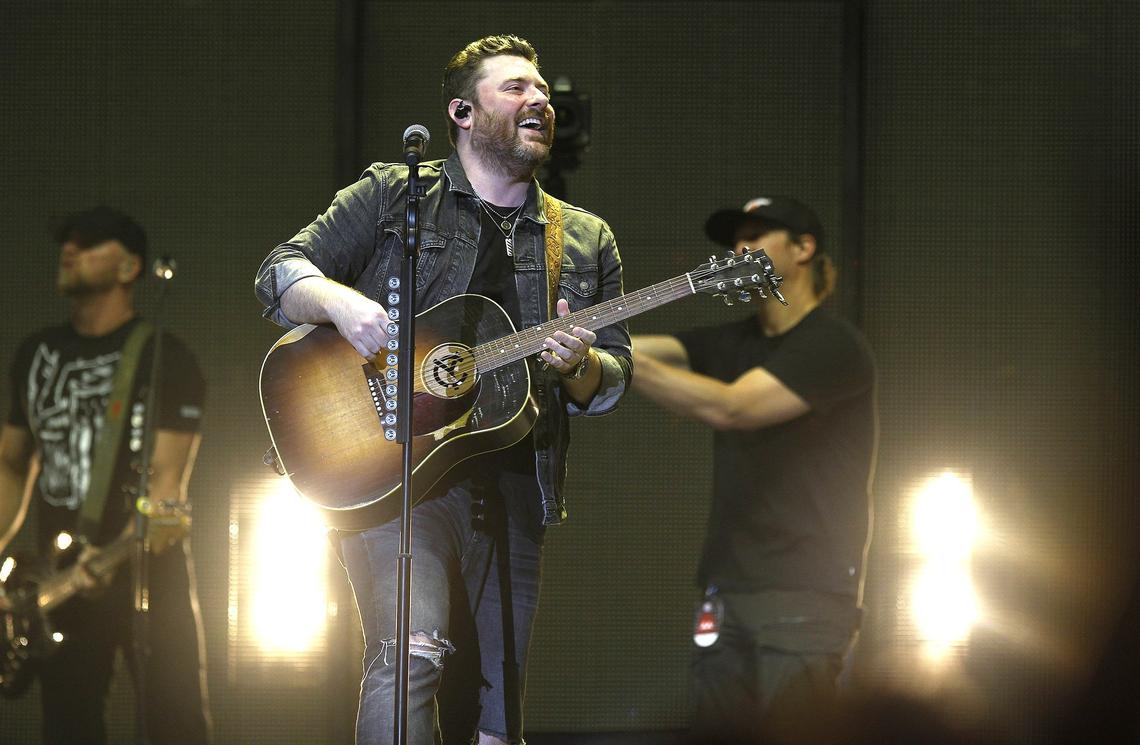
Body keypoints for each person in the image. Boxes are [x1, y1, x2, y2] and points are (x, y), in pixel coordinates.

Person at [253, 35, 631, 745]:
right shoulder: (394, 193)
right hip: (392, 472)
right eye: (516, 87)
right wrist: (339, 303)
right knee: (410, 654)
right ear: (462, 112)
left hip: (516, 483)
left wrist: (576, 364)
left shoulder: (583, 238)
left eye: (542, 90)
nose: (539, 100)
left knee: (498, 718)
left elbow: (610, 378)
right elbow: (279, 272)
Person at [630, 196, 877, 742]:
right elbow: (633, 347)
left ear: (803, 248)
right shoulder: (733, 341)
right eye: (735, 241)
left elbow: (733, 407)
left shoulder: (833, 345)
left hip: (805, 592)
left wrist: (619, 362)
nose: (741, 250)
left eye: (757, 236)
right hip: (727, 591)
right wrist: (573, 337)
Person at [0, 206, 212, 745]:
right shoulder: (36, 355)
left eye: (90, 242)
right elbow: (10, 465)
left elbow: (167, 491)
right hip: (56, 584)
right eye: (67, 241)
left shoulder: (167, 358)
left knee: (175, 726)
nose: (70, 250)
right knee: (67, 729)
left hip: (149, 575)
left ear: (129, 267)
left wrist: (112, 556)